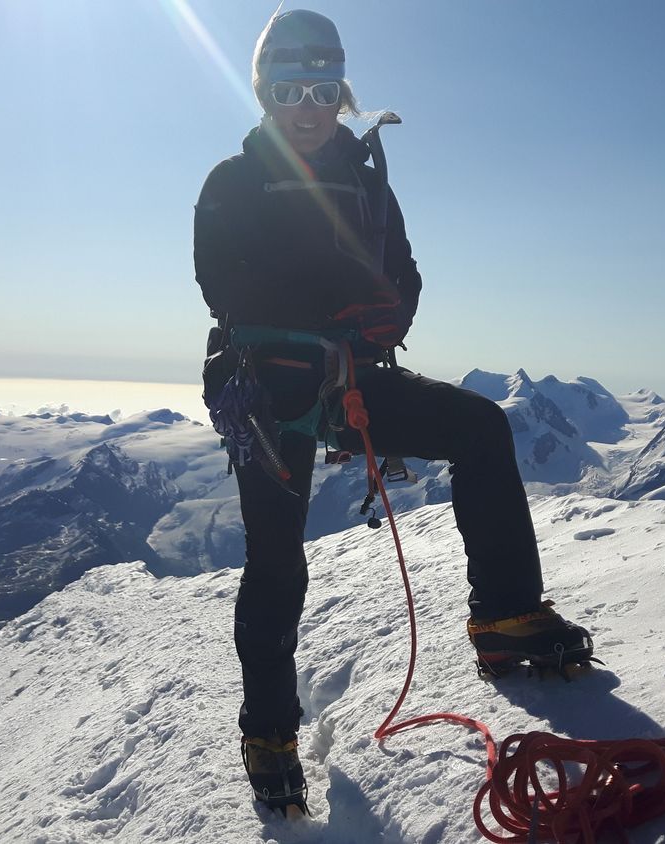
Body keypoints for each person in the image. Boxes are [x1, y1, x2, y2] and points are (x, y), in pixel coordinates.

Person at [194, 9, 594, 816]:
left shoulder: (367, 177)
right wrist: (341, 309)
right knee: (277, 559)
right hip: (268, 388)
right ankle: (268, 731)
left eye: (319, 87)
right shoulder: (232, 183)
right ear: (265, 91)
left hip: (348, 376)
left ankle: (507, 615)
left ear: (339, 90)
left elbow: (403, 270)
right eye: (287, 89)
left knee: (482, 428)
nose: (305, 106)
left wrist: (386, 319)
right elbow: (226, 288)